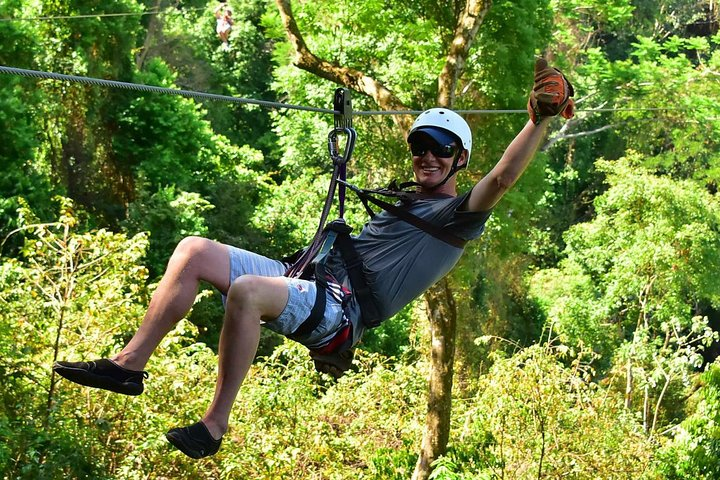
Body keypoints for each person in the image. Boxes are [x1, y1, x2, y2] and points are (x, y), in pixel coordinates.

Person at [53, 58, 574, 459]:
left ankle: (215, 424)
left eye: (441, 150)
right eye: (420, 147)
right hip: (310, 280)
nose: (428, 157)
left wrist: (539, 121)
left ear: (460, 159)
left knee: (247, 292)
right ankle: (129, 366)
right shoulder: (403, 198)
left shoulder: (458, 215)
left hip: (341, 313)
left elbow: (503, 178)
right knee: (193, 252)